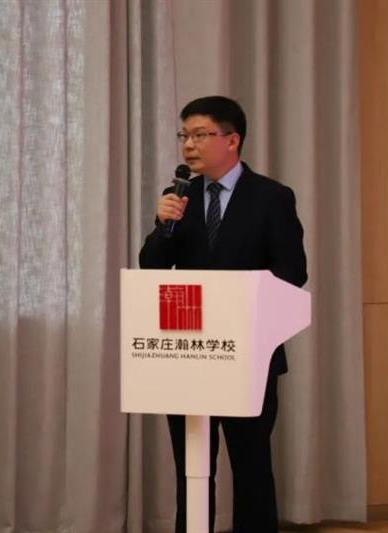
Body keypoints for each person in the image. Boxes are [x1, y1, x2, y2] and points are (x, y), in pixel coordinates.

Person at [139, 95, 307, 533]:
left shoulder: (271, 197)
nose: (188, 145)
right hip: (188, 353)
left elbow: (292, 273)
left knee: (252, 467)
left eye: (200, 135)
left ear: (232, 140)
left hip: (249, 353)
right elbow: (151, 269)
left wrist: (242, 306)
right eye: (184, 135)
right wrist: (161, 227)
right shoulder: (179, 197)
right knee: (192, 468)